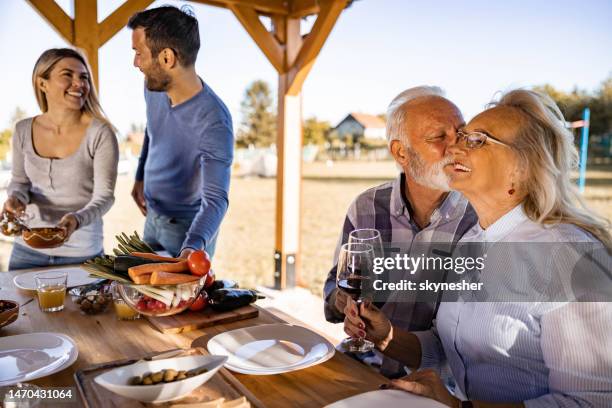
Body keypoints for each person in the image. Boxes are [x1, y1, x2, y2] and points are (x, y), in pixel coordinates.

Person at [344, 90, 612, 407]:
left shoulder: (570, 257)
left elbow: (595, 401)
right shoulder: (472, 241)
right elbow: (452, 348)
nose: (453, 147)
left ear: (521, 168)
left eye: (476, 140)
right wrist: (386, 337)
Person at [324, 86, 477, 377]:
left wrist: (386, 335)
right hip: (360, 366)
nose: (457, 148)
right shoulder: (366, 207)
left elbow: (463, 344)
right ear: (401, 152)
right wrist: (345, 303)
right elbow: (334, 288)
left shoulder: (478, 219)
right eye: (439, 138)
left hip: (436, 385)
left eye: (461, 135)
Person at [128, 6, 233, 259]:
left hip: (187, 229)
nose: (135, 63)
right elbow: (152, 130)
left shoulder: (215, 120)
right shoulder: (152, 88)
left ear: (166, 58)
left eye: (139, 53)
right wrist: (140, 175)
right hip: (152, 217)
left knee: (182, 300)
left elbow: (216, 200)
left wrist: (192, 247)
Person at [4, 48, 118, 270]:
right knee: (19, 306)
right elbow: (19, 182)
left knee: (84, 307)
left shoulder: (101, 133)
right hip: (27, 249)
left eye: (83, 77)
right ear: (42, 83)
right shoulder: (22, 130)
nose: (79, 83)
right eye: (67, 75)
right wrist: (15, 200)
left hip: (84, 253)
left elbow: (105, 197)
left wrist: (76, 219)